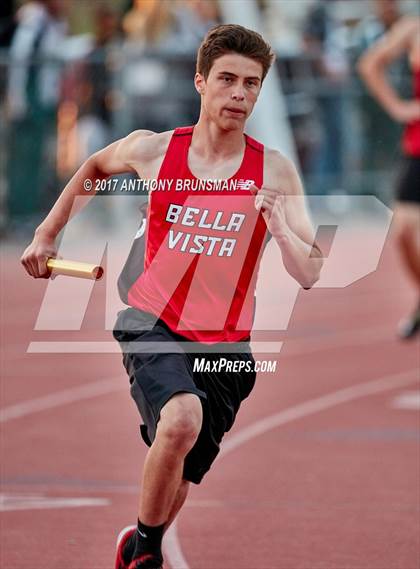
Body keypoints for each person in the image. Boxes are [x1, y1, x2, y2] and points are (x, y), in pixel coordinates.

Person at [21, 24, 323, 569]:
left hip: (228, 345)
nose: (240, 94)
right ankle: (148, 558)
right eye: (228, 80)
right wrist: (47, 234)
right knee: (181, 421)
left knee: (180, 472)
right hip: (152, 320)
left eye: (251, 84)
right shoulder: (155, 151)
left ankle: (139, 545)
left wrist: (280, 230)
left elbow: (311, 272)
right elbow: (93, 169)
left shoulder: (274, 171)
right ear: (200, 83)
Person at [358, 16, 420, 339]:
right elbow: (370, 64)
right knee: (405, 232)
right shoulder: (412, 29)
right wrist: (398, 107)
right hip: (418, 147)